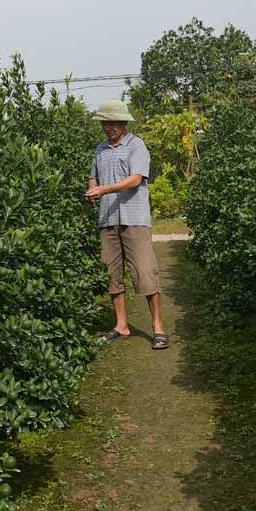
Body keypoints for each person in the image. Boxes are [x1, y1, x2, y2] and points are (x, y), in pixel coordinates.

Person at [86, 100, 169, 350]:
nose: (108, 128)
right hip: (107, 220)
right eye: (105, 123)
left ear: (124, 123)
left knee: (145, 271)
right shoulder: (100, 149)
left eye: (113, 123)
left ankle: (158, 327)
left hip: (134, 219)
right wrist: (93, 190)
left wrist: (105, 190)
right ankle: (121, 325)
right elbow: (93, 176)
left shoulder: (136, 146)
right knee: (112, 273)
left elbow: (135, 180)